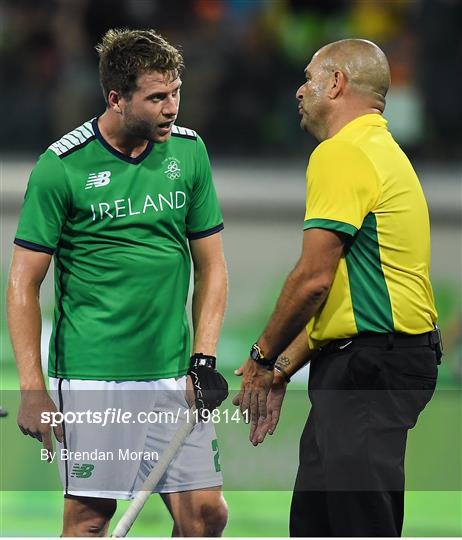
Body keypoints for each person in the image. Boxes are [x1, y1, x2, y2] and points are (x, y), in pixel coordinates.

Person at [7, 28, 229, 537]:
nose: (172, 107)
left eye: (175, 92)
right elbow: (23, 283)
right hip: (95, 375)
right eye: (156, 97)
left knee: (206, 516)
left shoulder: (189, 154)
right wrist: (33, 389)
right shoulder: (61, 167)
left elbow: (212, 266)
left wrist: (204, 358)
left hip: (174, 373)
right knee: (90, 519)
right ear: (115, 98)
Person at [234, 38, 442, 537]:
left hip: (369, 370)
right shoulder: (383, 154)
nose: (299, 91)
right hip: (371, 362)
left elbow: (312, 280)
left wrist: (261, 359)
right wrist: (284, 368)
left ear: (336, 83)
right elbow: (343, 300)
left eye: (308, 78)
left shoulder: (342, 154)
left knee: (354, 527)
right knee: (318, 523)